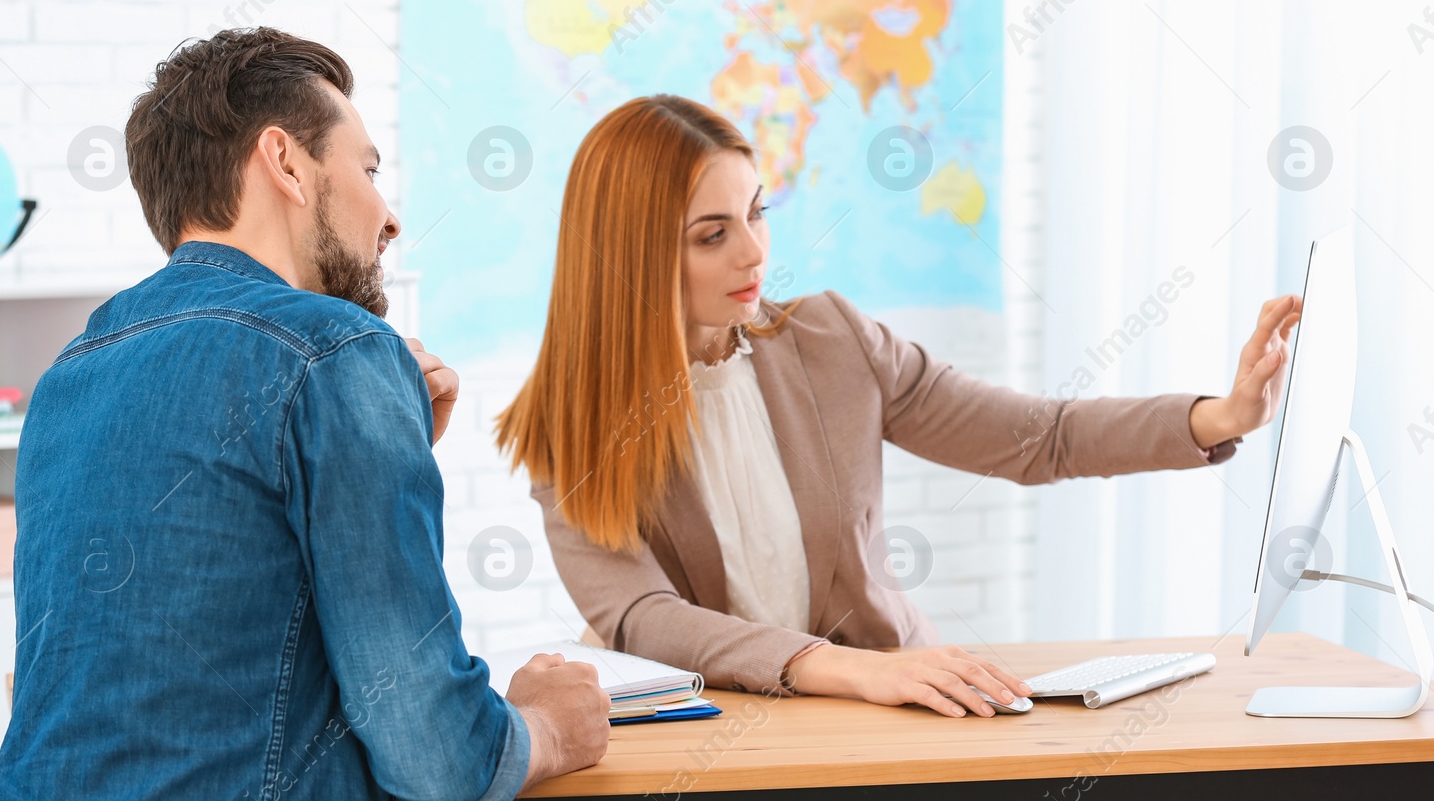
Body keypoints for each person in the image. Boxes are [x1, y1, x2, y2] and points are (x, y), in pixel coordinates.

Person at [0, 28, 609, 801]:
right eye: (369, 168)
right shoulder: (335, 349)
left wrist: (366, 453)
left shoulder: (74, 372)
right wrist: (549, 725)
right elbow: (438, 760)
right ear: (286, 161)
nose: (389, 216)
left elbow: (180, 638)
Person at [496, 94, 1299, 719]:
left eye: (756, 213)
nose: (754, 252)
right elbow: (643, 619)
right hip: (718, 735)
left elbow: (1035, 437)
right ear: (632, 253)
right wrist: (843, 669)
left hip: (892, 709)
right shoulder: (574, 422)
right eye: (712, 235)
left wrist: (1218, 417)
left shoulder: (829, 338)